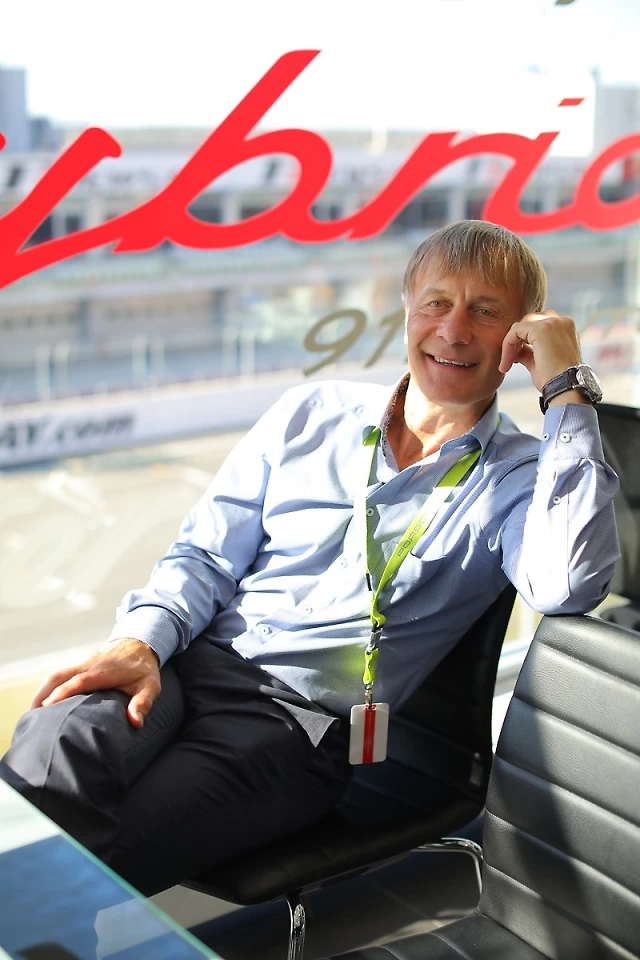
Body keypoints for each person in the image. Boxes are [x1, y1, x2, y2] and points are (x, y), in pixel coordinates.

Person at [1, 220, 620, 897]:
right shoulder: (311, 412)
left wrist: (567, 387)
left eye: (486, 311)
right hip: (183, 661)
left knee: (84, 862)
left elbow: (569, 585)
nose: (453, 330)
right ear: (408, 310)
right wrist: (141, 642)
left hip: (295, 726)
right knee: (52, 744)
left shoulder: (521, 477)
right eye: (438, 302)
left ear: (519, 337)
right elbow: (205, 554)